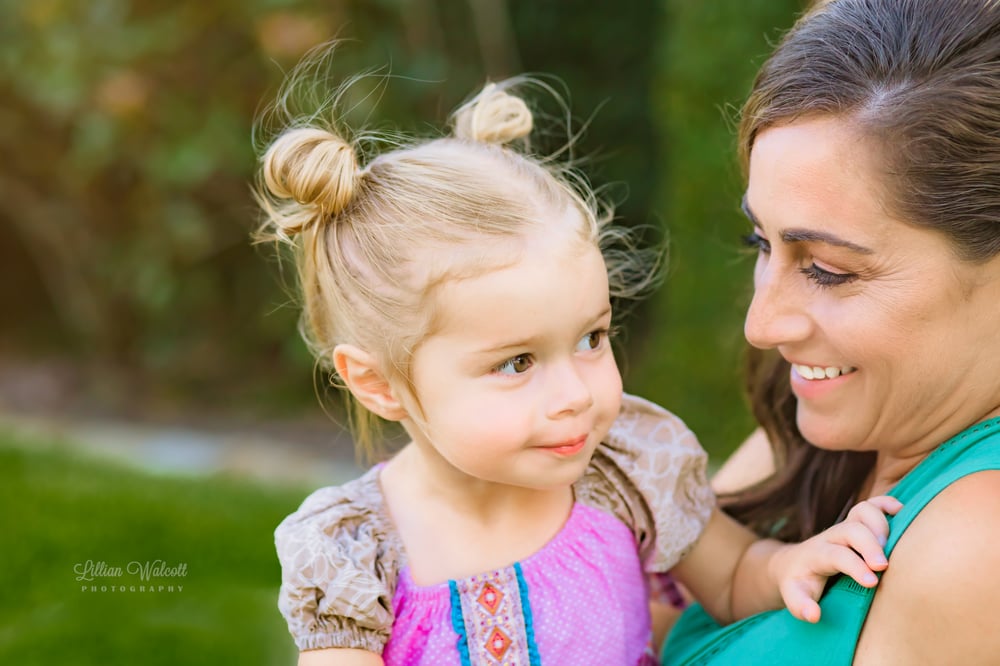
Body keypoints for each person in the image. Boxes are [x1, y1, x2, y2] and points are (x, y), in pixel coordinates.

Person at [255, 53, 897, 666]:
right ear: (379, 383)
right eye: (516, 363)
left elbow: (731, 576)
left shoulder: (623, 470)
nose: (576, 394)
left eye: (592, 339)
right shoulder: (353, 552)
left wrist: (794, 565)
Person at [662, 0, 1000, 663]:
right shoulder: (824, 415)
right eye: (759, 240)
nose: (762, 327)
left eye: (827, 269)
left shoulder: (978, 543)